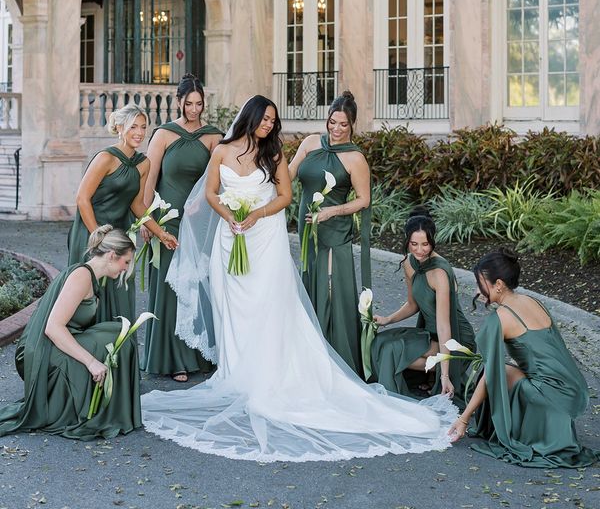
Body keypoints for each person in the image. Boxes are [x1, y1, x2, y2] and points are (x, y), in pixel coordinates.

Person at [141, 95, 456, 462]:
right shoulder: (223, 151)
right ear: (251, 117)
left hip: (264, 236)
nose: (269, 125)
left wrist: (256, 214)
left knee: (267, 303)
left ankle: (269, 372)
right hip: (230, 237)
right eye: (265, 119)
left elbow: (285, 195)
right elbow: (212, 192)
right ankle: (237, 370)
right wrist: (229, 216)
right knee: (233, 306)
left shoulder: (274, 154)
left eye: (273, 121)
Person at [448, 249, 599, 468]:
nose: (477, 290)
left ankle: (523, 426)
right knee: (506, 369)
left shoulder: (500, 317)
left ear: (498, 284)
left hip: (549, 395)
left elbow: (492, 373)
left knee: (497, 371)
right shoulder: (533, 301)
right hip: (572, 390)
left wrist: (463, 419)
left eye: (480, 283)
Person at [0, 226, 141, 440]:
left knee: (119, 333)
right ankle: (95, 409)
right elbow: (53, 328)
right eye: (127, 262)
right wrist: (91, 362)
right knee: (116, 338)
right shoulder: (81, 276)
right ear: (112, 255)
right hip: (40, 353)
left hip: (54, 344)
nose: (126, 268)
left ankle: (108, 407)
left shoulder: (91, 277)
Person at [141, 74, 222, 382]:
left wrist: (201, 201)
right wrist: (146, 220)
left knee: (197, 283)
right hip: (167, 219)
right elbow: (149, 179)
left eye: (199, 104)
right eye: (189, 104)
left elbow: (219, 178)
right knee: (168, 287)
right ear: (178, 102)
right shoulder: (163, 134)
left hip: (199, 222)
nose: (194, 109)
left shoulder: (213, 136)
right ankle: (172, 359)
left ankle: (198, 356)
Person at [68, 103, 178, 322]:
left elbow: (137, 205)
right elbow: (82, 199)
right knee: (89, 296)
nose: (139, 132)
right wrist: (100, 238)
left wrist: (160, 233)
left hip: (120, 237)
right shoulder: (106, 158)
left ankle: (115, 344)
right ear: (119, 127)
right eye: (133, 126)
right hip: (91, 233)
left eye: (143, 127)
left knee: (120, 294)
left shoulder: (143, 163)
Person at [288, 91, 371, 375]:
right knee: (311, 283)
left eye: (343, 124)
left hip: (334, 230)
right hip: (307, 228)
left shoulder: (355, 158)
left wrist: (331, 212)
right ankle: (308, 356)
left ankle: (335, 360)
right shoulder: (311, 143)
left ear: (352, 124)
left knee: (331, 290)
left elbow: (363, 200)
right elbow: (288, 174)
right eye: (332, 122)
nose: (336, 129)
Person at [371, 210, 476, 406]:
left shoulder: (440, 273)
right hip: (429, 334)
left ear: (433, 241)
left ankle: (399, 397)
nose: (419, 250)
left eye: (425, 244)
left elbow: (444, 326)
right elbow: (413, 304)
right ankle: (417, 380)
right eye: (414, 244)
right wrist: (387, 320)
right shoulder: (409, 263)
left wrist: (445, 375)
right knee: (379, 343)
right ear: (407, 241)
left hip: (455, 338)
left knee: (391, 351)